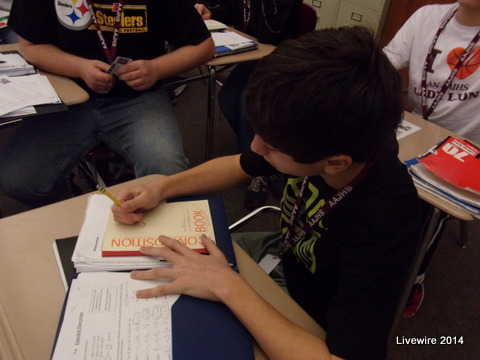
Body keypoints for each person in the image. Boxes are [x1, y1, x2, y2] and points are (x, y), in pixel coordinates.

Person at [112, 27, 424, 360]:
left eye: (271, 146)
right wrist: (161, 186)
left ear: (334, 163)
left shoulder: (385, 222)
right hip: (280, 258)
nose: (256, 147)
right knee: (147, 270)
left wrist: (227, 285)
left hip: (306, 319)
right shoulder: (323, 134)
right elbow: (239, 165)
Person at [0, 0, 215, 208]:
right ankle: (71, 209)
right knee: (17, 180)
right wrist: (79, 68)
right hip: (67, 99)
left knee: (168, 174)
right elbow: (30, 46)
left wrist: (157, 68)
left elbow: (204, 46)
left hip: (137, 99)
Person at [383, 0, 480, 318]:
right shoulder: (428, 17)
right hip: (413, 130)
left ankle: (414, 276)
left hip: (464, 151)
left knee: (422, 213)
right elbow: (384, 63)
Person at [194, 0, 303, 210]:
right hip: (254, 56)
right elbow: (231, 12)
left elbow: (270, 31)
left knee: (248, 103)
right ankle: (268, 155)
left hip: (284, 59)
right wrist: (212, 12)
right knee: (227, 98)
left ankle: (258, 170)